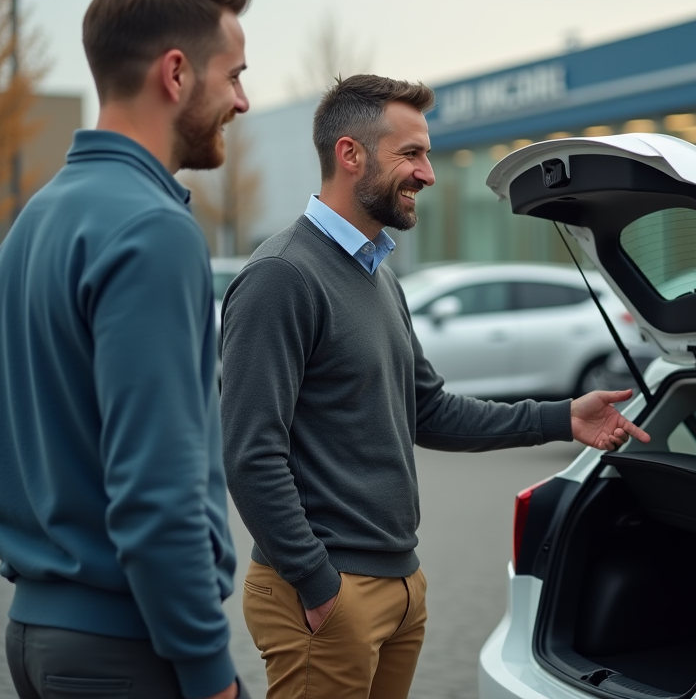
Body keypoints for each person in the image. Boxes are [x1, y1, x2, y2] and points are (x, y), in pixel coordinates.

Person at [220, 74, 650, 699]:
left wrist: (562, 418)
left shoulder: (378, 275)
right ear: (350, 154)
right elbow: (249, 452)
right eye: (411, 154)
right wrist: (316, 582)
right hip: (328, 591)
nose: (428, 174)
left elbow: (430, 411)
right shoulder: (282, 276)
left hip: (398, 585)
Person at [0, 0, 252, 699]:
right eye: (233, 76)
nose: (244, 100)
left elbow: (4, 453)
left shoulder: (33, 223)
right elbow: (156, 492)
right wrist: (208, 672)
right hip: (128, 652)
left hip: (36, 638)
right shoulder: (153, 231)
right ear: (176, 74)